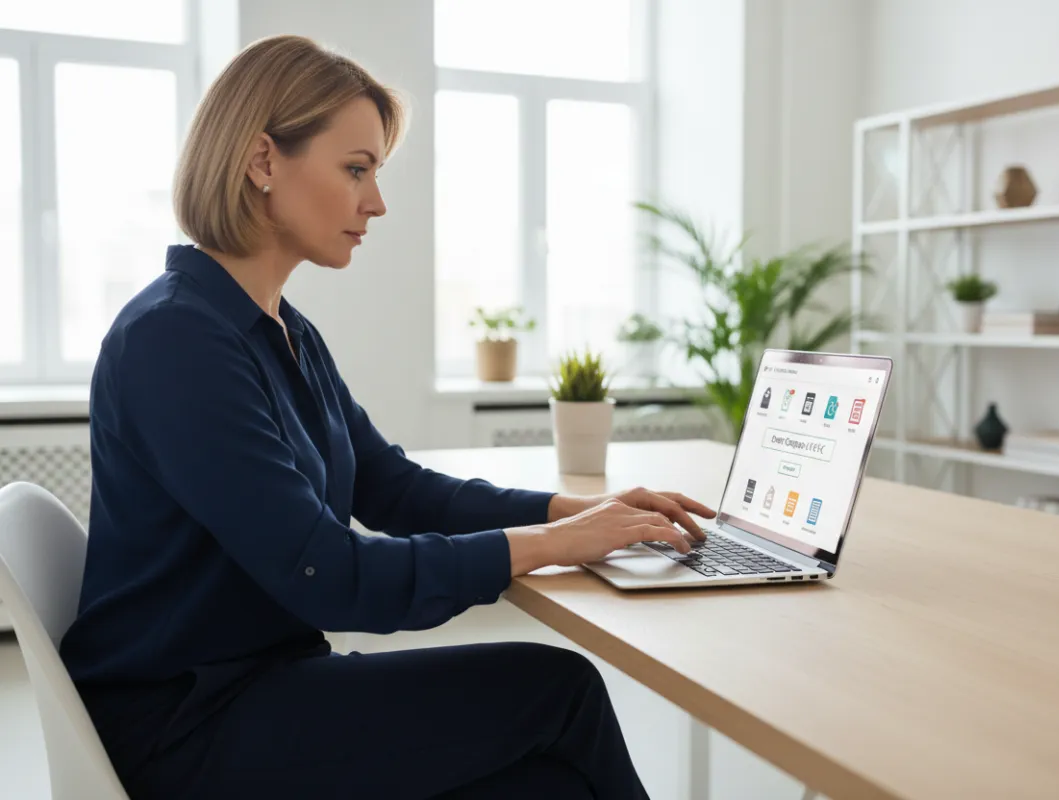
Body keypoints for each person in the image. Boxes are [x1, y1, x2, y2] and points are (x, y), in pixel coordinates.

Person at [59, 34, 716, 799]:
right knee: (559, 691)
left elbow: (391, 487)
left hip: (262, 687)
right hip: (188, 727)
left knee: (550, 782)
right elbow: (330, 576)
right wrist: (550, 545)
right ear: (264, 160)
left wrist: (573, 513)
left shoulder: (281, 331)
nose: (376, 202)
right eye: (356, 169)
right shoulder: (176, 340)